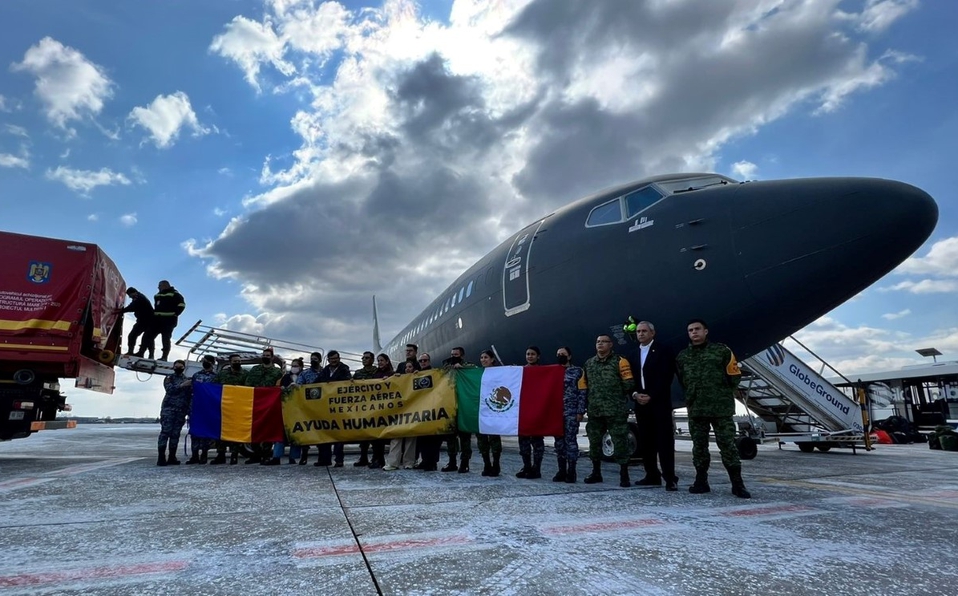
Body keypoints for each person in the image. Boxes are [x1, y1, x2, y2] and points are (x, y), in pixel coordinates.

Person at [676, 319, 751, 498]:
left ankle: (737, 484)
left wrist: (720, 392)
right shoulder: (682, 356)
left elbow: (734, 377)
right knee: (699, 448)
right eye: (690, 330)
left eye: (697, 329)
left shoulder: (722, 351)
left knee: (727, 446)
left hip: (721, 408)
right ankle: (701, 482)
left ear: (706, 331)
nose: (694, 332)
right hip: (697, 409)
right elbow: (682, 380)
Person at [628, 320, 679, 491]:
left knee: (664, 442)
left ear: (652, 333)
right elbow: (631, 379)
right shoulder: (633, 354)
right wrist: (635, 394)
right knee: (646, 441)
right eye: (638, 331)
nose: (640, 334)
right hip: (641, 403)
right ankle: (652, 475)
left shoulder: (664, 351)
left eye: (644, 331)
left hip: (659, 403)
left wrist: (652, 395)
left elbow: (666, 376)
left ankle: (670, 478)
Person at [579, 334, 634, 488]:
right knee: (594, 443)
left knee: (620, 442)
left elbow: (629, 383)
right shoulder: (589, 364)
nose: (600, 344)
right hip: (595, 411)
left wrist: (614, 396)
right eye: (598, 342)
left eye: (604, 342)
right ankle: (596, 472)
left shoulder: (620, 362)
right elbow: (584, 386)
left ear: (611, 345)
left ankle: (624, 475)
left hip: (615, 410)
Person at [243, 347, 284, 464]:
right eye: (264, 355)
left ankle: (266, 454)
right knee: (255, 428)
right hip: (255, 403)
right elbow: (248, 384)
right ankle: (255, 455)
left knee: (267, 429)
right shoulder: (255, 369)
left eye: (267, 355)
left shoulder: (277, 372)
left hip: (269, 404)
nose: (265, 357)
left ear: (272, 357)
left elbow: (278, 387)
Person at [552, 346, 585, 484]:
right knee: (559, 443)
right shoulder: (553, 371)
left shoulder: (578, 371)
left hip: (571, 412)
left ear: (569, 356)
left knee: (570, 442)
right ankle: (561, 471)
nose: (561, 356)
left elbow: (582, 392)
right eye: (558, 354)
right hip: (556, 412)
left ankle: (571, 471)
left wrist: (580, 411)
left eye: (563, 354)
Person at [264, 357, 305, 466]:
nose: (293, 368)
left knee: (296, 433)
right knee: (280, 433)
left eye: (296, 366)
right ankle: (276, 457)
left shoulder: (304, 376)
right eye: (292, 365)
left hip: (299, 410)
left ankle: (293, 457)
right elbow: (279, 389)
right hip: (285, 408)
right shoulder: (286, 377)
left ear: (301, 367)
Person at [441, 347, 474, 473]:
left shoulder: (468, 366)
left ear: (462, 355)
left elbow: (474, 374)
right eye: (452, 354)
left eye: (456, 354)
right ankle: (452, 462)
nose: (454, 356)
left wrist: (462, 369)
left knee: (465, 437)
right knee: (450, 437)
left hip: (463, 406)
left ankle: (465, 462)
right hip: (450, 406)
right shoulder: (446, 367)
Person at [210, 354, 248, 465]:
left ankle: (234, 455)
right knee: (222, 431)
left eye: (238, 361)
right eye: (235, 361)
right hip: (223, 407)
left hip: (238, 407)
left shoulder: (245, 374)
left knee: (235, 432)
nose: (237, 363)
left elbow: (249, 388)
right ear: (230, 362)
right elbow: (213, 387)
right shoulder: (222, 374)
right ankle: (221, 455)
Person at [316, 351, 350, 467]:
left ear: (339, 358)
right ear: (328, 360)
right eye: (331, 359)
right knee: (325, 433)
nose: (333, 360)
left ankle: (339, 459)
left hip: (339, 407)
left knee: (339, 435)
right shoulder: (325, 371)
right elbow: (316, 383)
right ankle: (325, 459)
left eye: (335, 358)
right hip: (326, 407)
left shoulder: (345, 370)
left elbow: (348, 384)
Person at [383, 360, 418, 471]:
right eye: (406, 367)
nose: (407, 369)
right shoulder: (398, 379)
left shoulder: (418, 378)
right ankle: (393, 463)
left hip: (413, 411)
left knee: (411, 438)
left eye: (410, 366)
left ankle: (409, 462)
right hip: (399, 412)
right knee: (396, 437)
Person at [516, 346, 545, 479]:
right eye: (528, 354)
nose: (530, 356)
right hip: (524, 412)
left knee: (537, 443)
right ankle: (526, 466)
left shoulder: (544, 372)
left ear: (538, 356)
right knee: (524, 443)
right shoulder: (520, 371)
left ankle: (536, 468)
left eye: (533, 354)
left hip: (538, 411)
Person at [156, 360, 191, 466]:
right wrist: (182, 385)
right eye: (176, 367)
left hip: (180, 411)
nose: (178, 368)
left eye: (181, 367)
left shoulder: (186, 379)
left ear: (184, 368)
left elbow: (189, 395)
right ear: (173, 367)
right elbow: (170, 390)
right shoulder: (169, 378)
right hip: (169, 410)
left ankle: (172, 457)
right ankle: (161, 457)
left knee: (175, 434)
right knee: (165, 433)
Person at [185, 354, 217, 464]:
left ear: (212, 362)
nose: (204, 362)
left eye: (206, 360)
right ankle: (194, 455)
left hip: (208, 408)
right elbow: (191, 391)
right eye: (203, 360)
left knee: (205, 433)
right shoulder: (196, 375)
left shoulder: (216, 377)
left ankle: (204, 454)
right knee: (194, 432)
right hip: (196, 407)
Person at [475, 349, 503, 477]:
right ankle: (487, 464)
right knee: (482, 440)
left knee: (494, 439)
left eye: (486, 357)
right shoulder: (477, 373)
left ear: (492, 359)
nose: (483, 360)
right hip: (481, 411)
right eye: (481, 357)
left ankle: (496, 464)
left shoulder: (499, 373)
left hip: (493, 410)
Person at [295, 352, 324, 465]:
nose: (313, 361)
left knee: (322, 433)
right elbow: (299, 385)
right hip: (307, 407)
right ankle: (304, 456)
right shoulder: (305, 373)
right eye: (312, 359)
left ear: (320, 360)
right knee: (306, 431)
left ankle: (322, 457)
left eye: (315, 359)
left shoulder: (325, 372)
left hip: (322, 407)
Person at [352, 352, 380, 467]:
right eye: (363, 358)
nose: (364, 359)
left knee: (375, 435)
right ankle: (363, 457)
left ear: (372, 360)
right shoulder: (358, 373)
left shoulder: (377, 372)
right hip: (362, 407)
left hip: (376, 407)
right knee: (363, 436)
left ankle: (375, 458)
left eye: (367, 358)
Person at [150, 280, 186, 361]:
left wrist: (175, 313)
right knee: (149, 336)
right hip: (157, 321)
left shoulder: (175, 294)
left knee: (165, 338)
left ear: (165, 285)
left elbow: (182, 305)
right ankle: (150, 355)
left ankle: (164, 357)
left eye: (160, 285)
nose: (158, 287)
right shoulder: (157, 295)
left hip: (169, 321)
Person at [116, 287, 154, 358]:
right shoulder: (138, 297)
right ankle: (143, 353)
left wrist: (121, 311)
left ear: (133, 293)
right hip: (144, 321)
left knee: (142, 337)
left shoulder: (139, 298)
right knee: (144, 337)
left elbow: (132, 307)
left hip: (147, 321)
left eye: (129, 295)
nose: (130, 297)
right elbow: (132, 306)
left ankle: (148, 354)